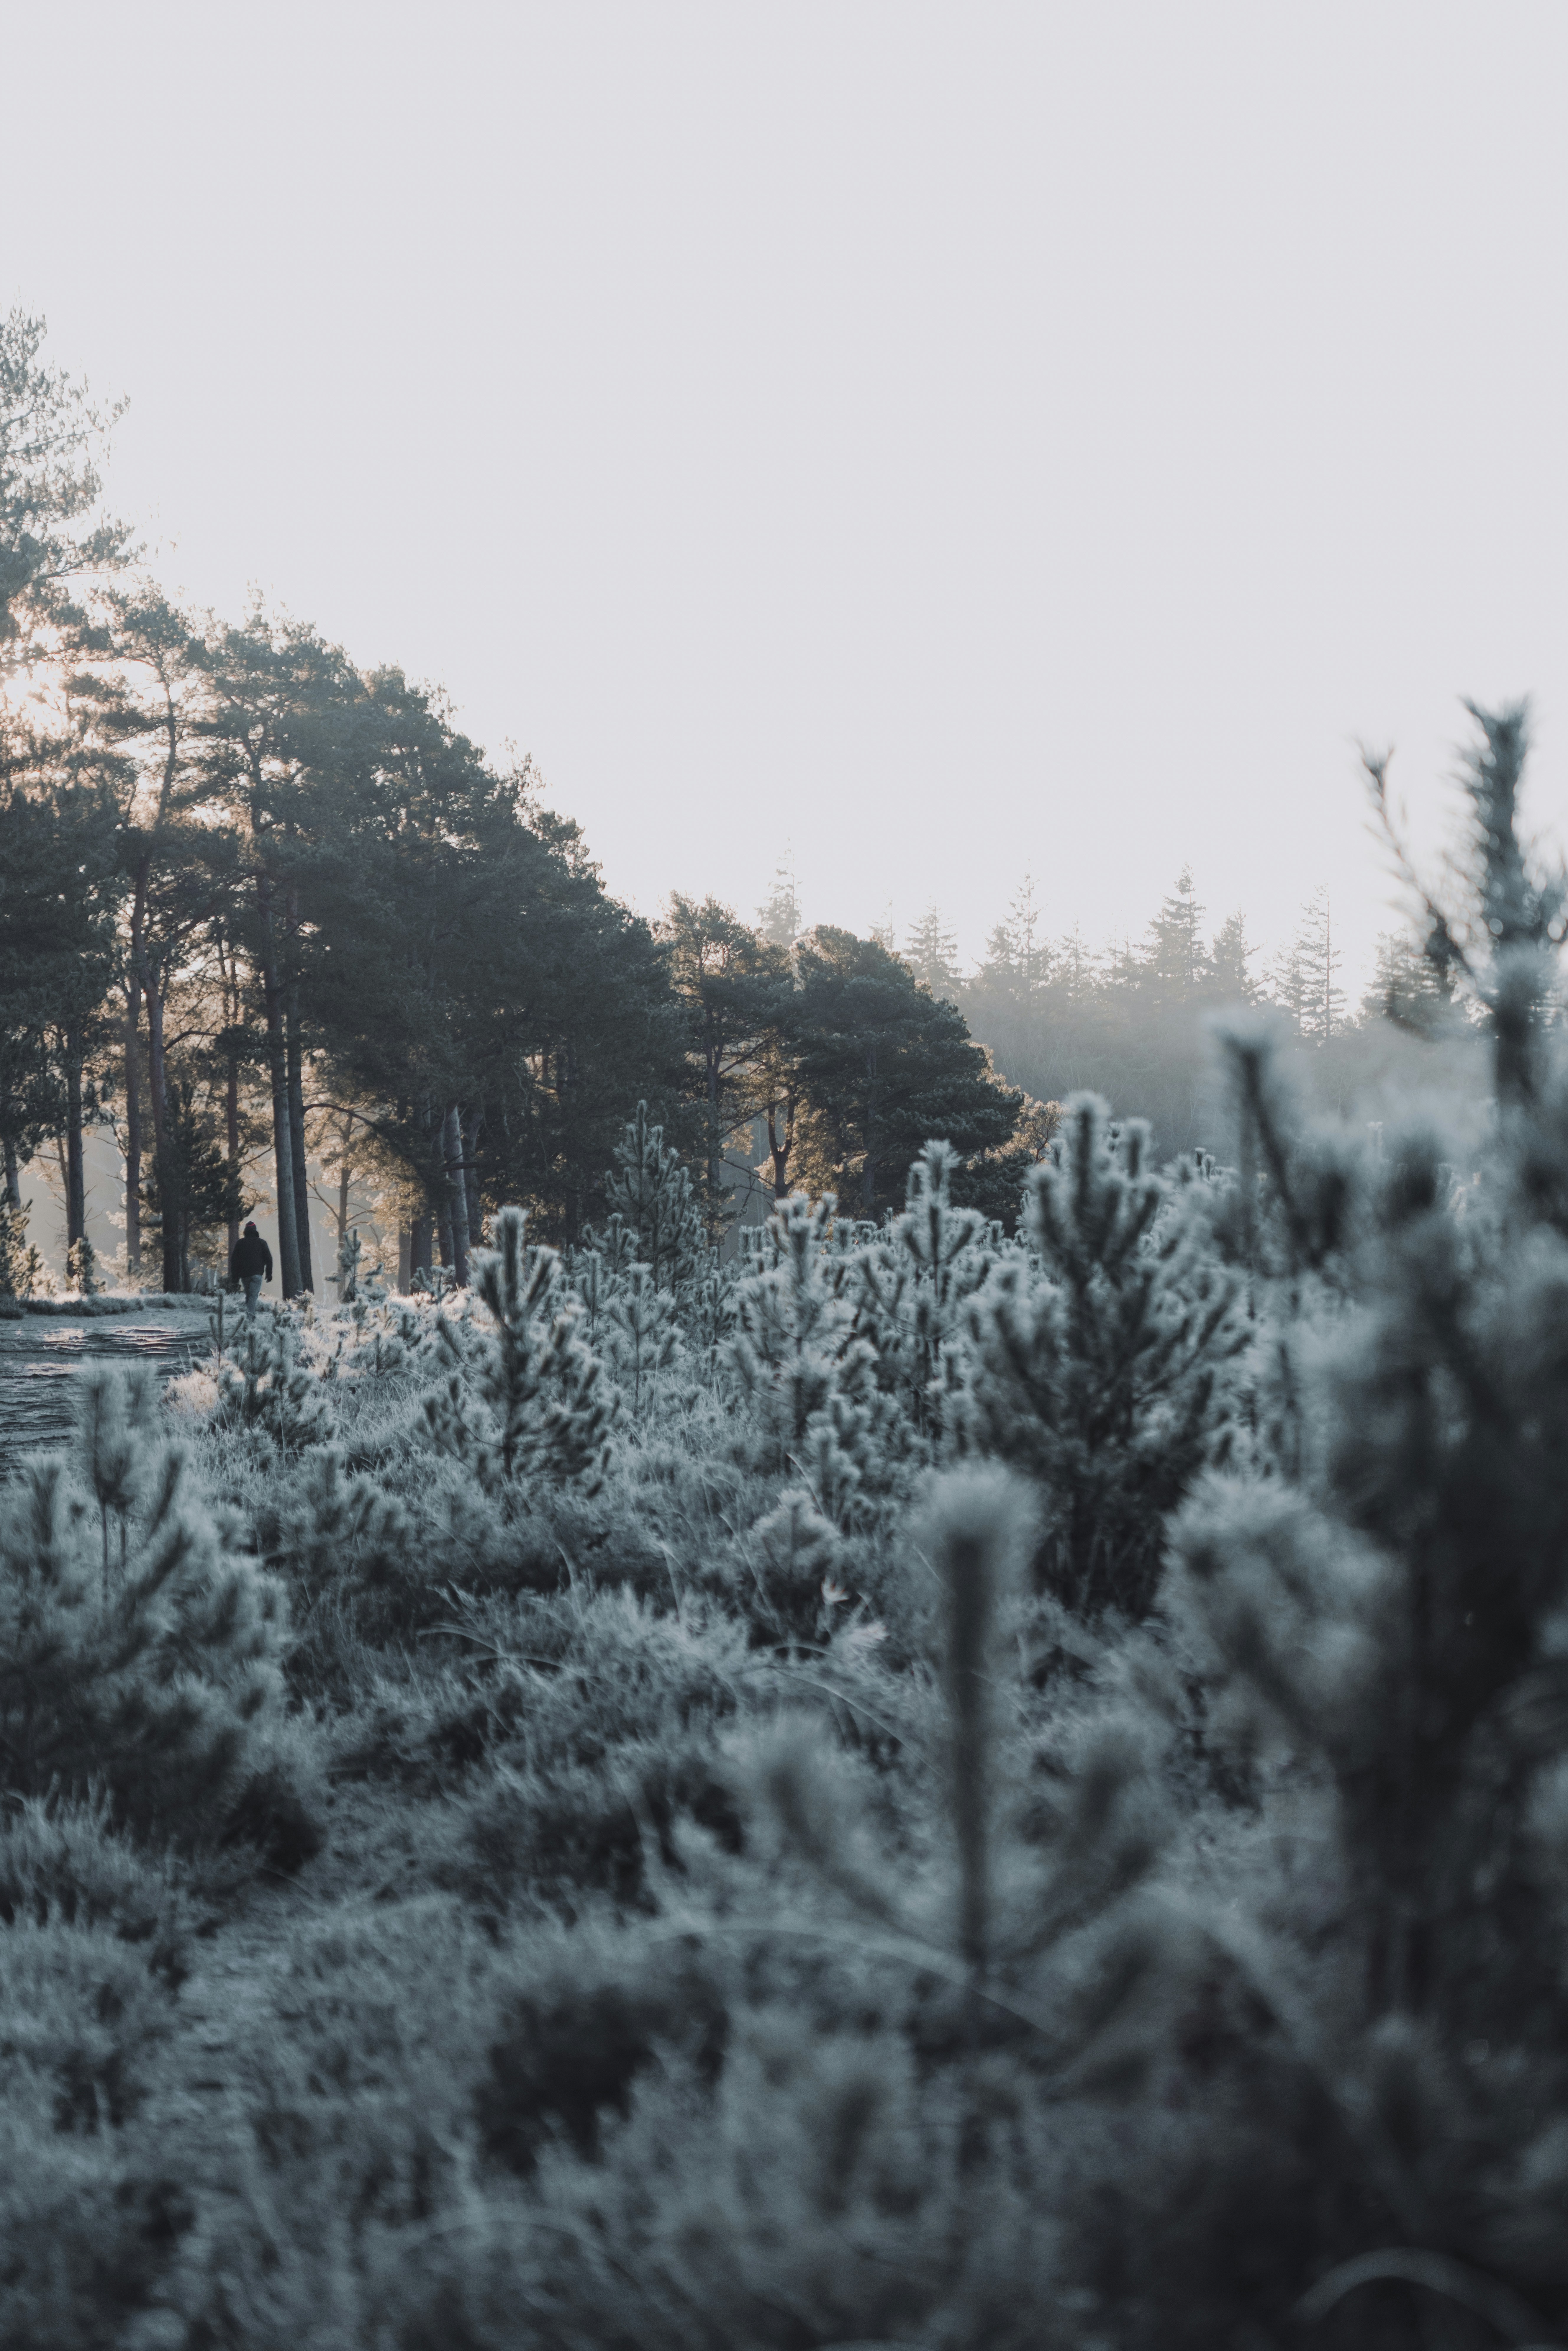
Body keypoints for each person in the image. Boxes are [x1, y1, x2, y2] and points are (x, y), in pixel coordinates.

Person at [229, 1221, 273, 1322]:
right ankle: (250, 1318)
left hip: (245, 1276)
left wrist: (235, 1278)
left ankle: (250, 1316)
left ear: (246, 1231)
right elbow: (269, 1259)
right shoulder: (262, 1243)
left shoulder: (240, 1243)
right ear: (255, 1231)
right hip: (257, 1275)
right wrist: (269, 1274)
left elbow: (234, 1261)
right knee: (253, 1296)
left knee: (249, 1296)